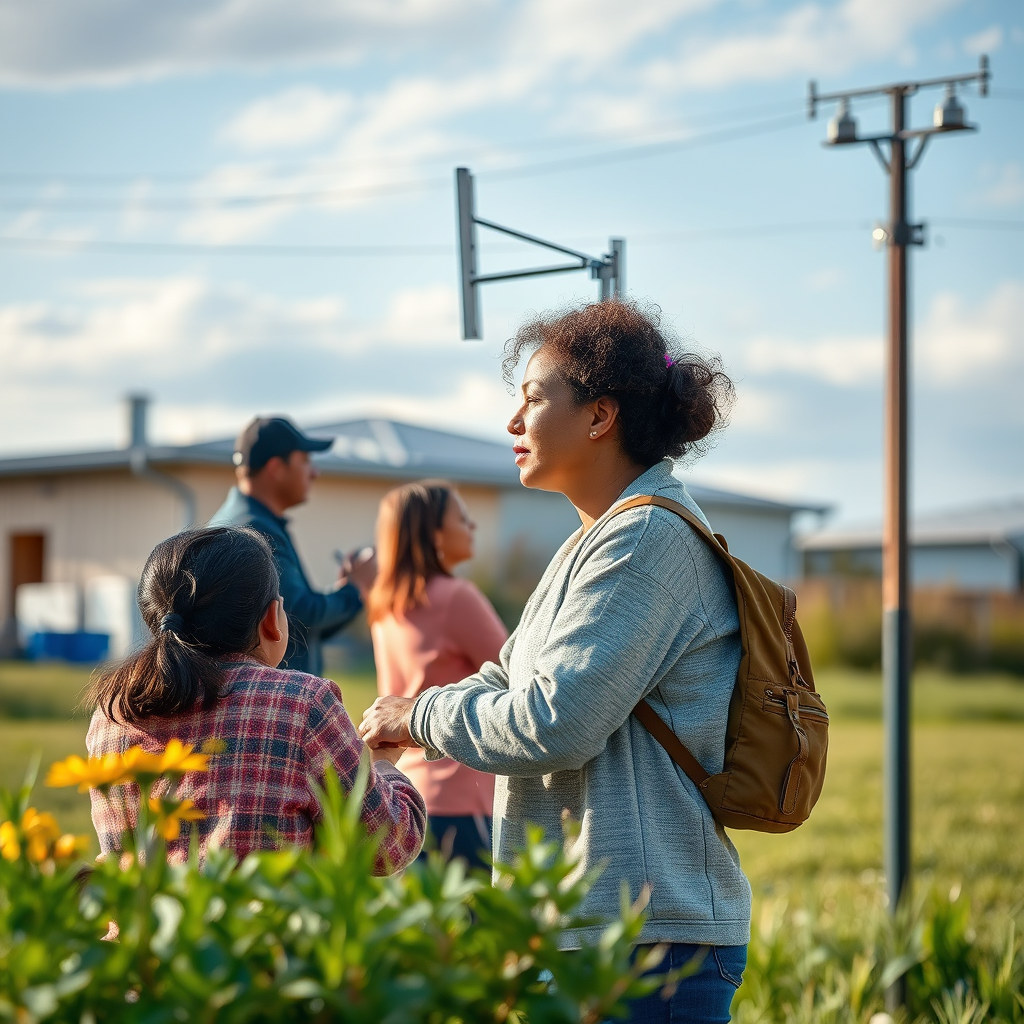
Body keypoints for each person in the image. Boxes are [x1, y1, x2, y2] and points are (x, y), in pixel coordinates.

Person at [359, 300, 748, 1023]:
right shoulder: (593, 539)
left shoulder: (643, 540)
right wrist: (403, 723)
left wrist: (419, 715)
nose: (513, 422)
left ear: (599, 417)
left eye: (534, 399)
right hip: (591, 932)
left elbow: (555, 721)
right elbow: (505, 677)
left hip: (644, 943)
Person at [86, 525, 425, 871]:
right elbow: (388, 846)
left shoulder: (112, 714)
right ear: (271, 620)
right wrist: (381, 764)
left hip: (144, 909)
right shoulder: (301, 704)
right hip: (259, 908)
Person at [367, 481, 508, 871]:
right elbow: (517, 681)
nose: (472, 526)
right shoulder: (457, 597)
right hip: (466, 794)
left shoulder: (385, 606)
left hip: (409, 791)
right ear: (434, 534)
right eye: (462, 518)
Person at [209, 416, 375, 676]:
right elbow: (297, 618)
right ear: (276, 467)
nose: (314, 472)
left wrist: (348, 593)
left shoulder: (244, 521)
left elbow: (302, 628)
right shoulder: (255, 529)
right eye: (306, 460)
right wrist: (354, 588)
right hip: (274, 696)